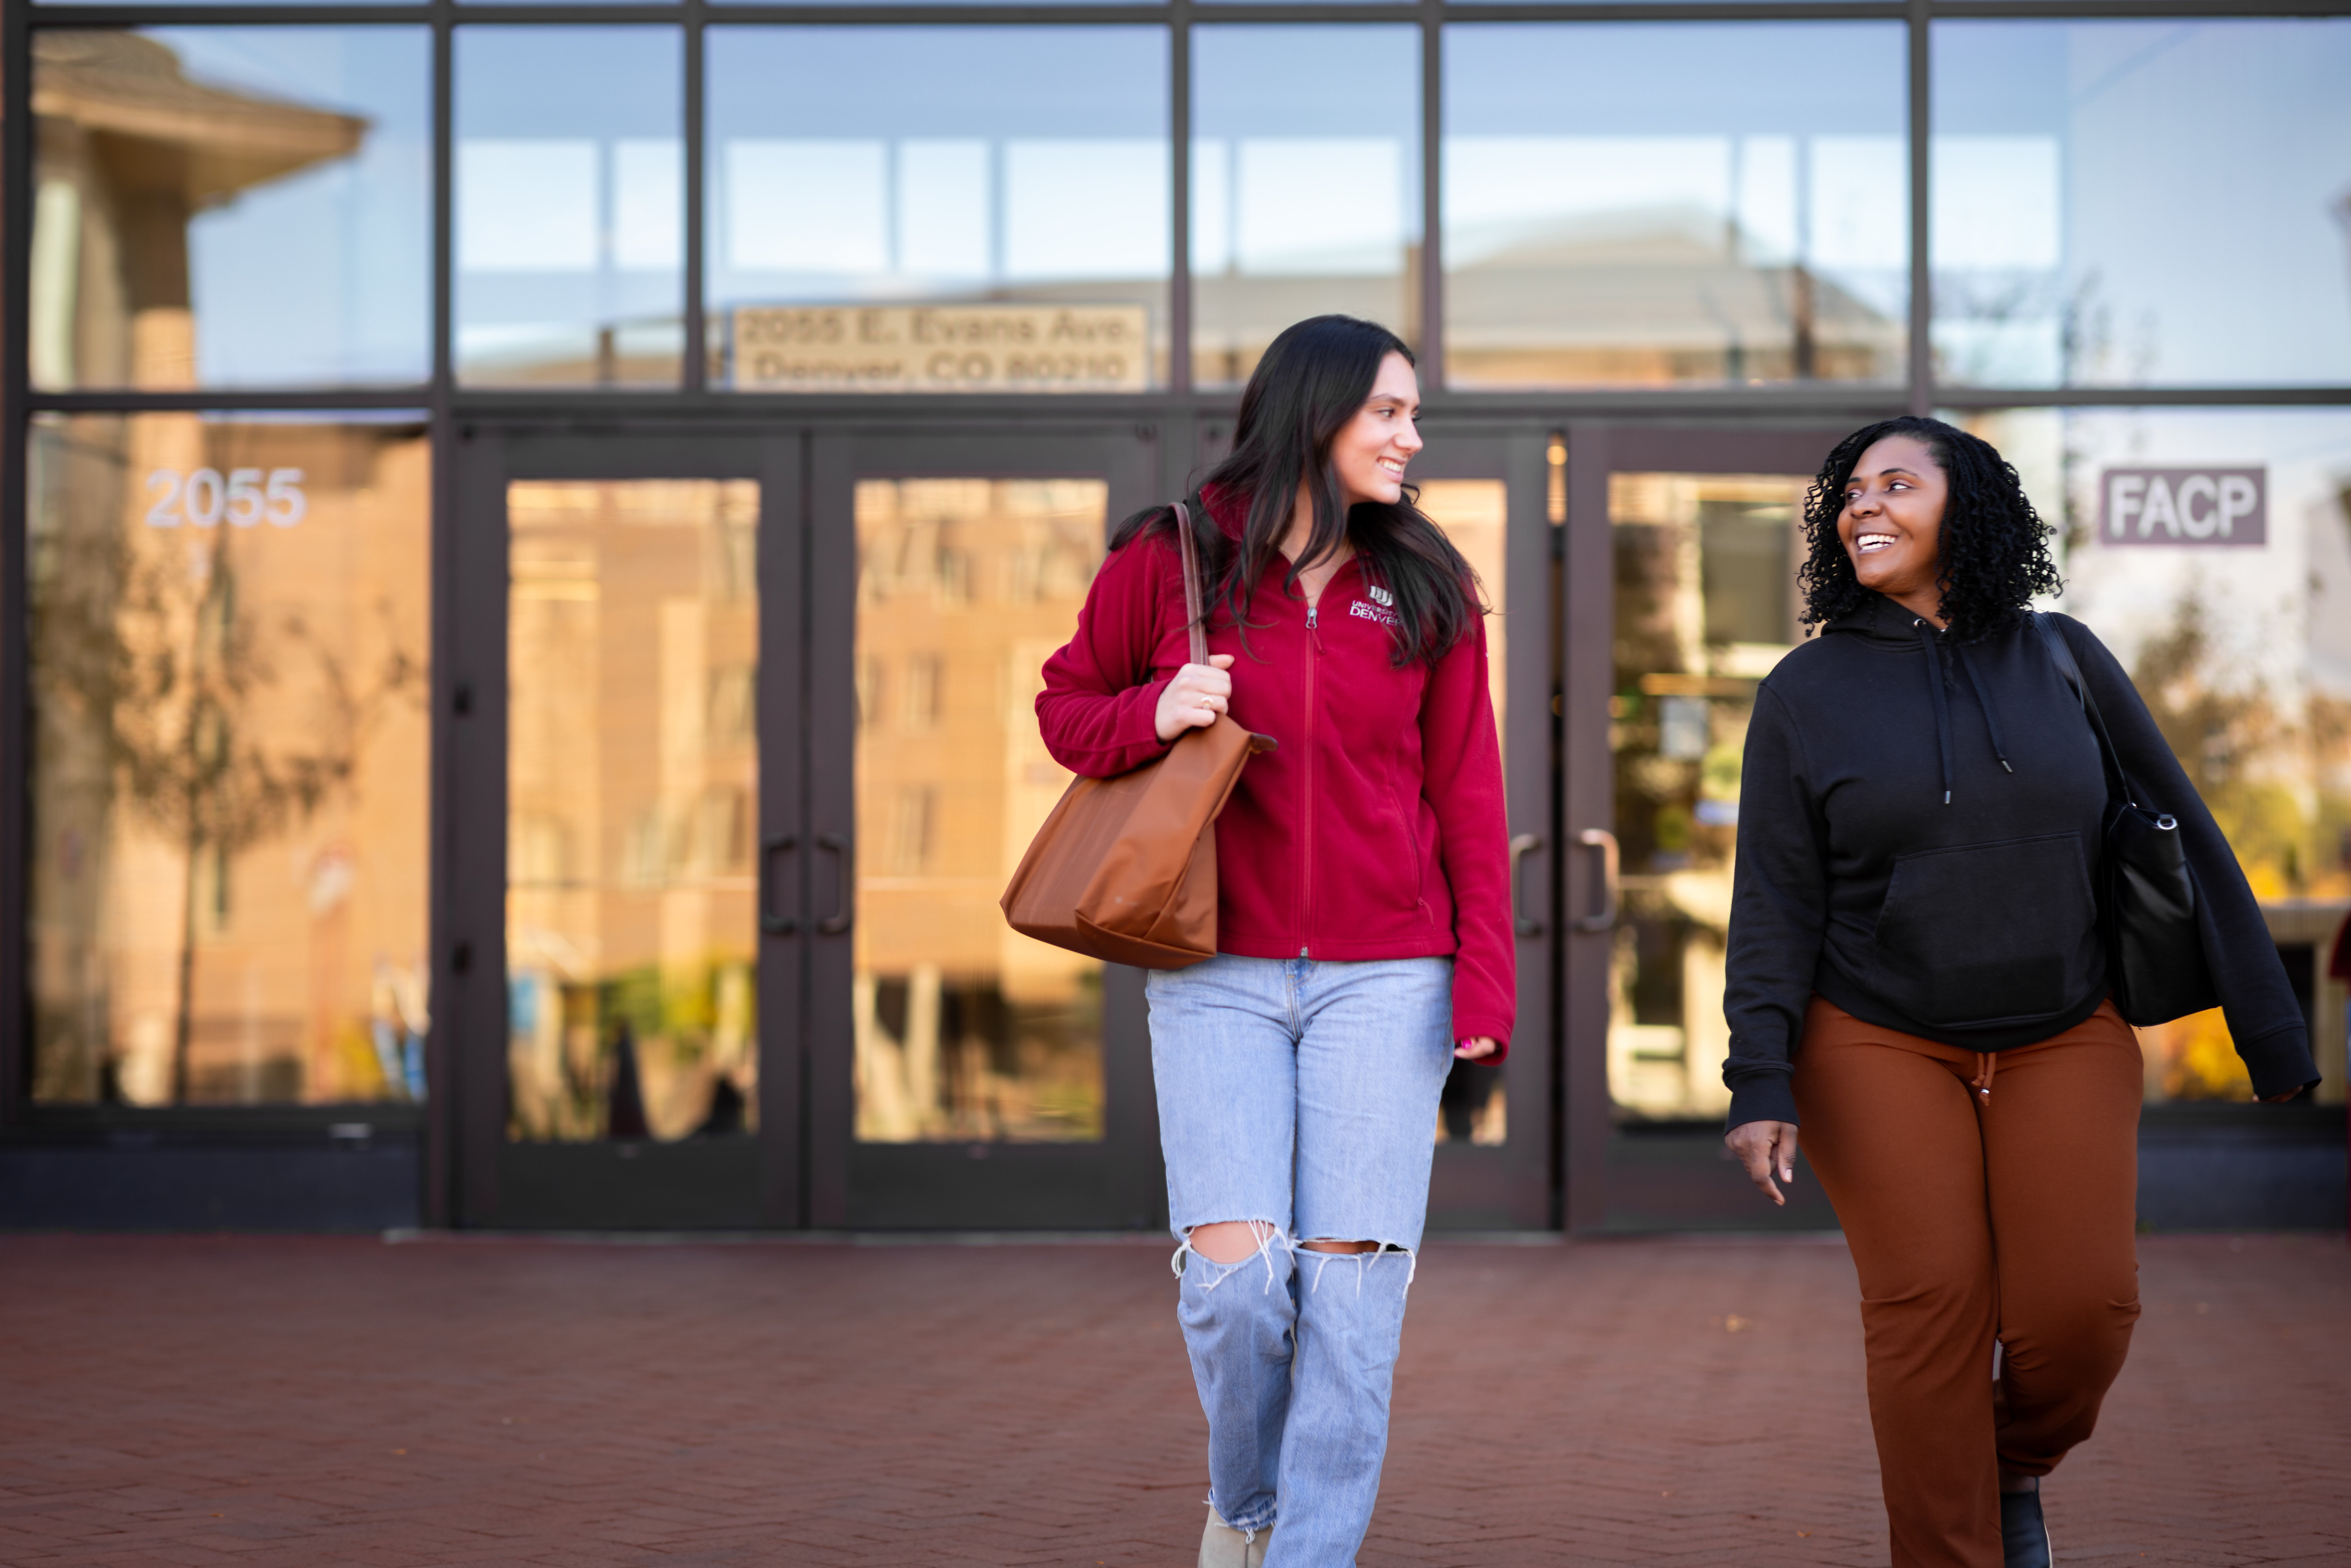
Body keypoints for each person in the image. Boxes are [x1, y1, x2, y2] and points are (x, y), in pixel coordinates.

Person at [1721, 416, 2319, 1568]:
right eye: (1847, 494)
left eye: (1897, 484)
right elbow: (1776, 901)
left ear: (1971, 508)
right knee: (1927, 1312)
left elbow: (2180, 829)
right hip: (1874, 1033)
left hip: (2063, 1025)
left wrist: (2268, 1026)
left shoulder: (2061, 657)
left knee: (2080, 1315)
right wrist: (1759, 1075)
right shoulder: (1802, 692)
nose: (1863, 508)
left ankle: (2003, 1466)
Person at [1036, 315, 1513, 1567]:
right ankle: (1246, 1506)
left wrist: (1484, 979)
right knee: (1239, 1286)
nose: (1412, 438)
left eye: (1412, 416)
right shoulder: (1168, 560)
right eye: (1389, 414)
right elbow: (1064, 708)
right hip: (1214, 972)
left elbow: (1468, 791)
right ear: (1314, 412)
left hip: (1387, 974)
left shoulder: (1424, 584)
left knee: (1351, 1303)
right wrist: (1153, 707)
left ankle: (1306, 1553)